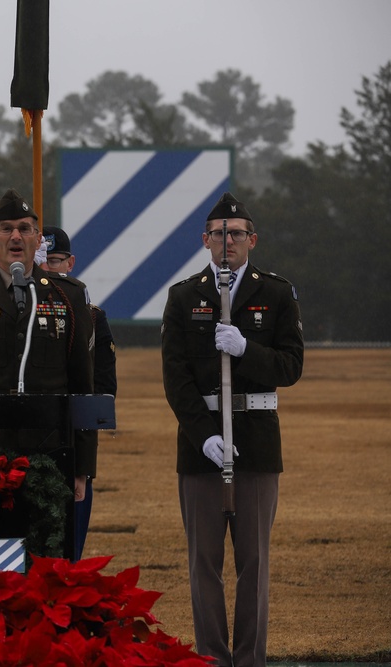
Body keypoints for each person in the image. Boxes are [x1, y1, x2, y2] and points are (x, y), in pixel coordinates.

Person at [161, 192, 303, 667]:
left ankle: (249, 659)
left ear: (252, 240)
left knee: (254, 564)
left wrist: (246, 349)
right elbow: (176, 378)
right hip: (201, 442)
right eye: (219, 234)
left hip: (257, 443)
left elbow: (290, 366)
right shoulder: (184, 296)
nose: (228, 242)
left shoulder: (276, 293)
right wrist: (203, 434)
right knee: (204, 564)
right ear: (205, 241)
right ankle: (212, 658)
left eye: (236, 233)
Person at [0, 188, 95, 525]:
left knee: (46, 567)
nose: (16, 236)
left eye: (25, 228)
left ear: (39, 240)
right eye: (6, 228)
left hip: (51, 454)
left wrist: (83, 469)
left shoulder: (68, 295)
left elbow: (83, 385)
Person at [36, 226, 117, 561]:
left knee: (68, 554)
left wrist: (84, 459)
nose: (49, 269)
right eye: (42, 261)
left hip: (69, 443)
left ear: (70, 263)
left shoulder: (91, 317)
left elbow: (101, 388)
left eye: (55, 261)